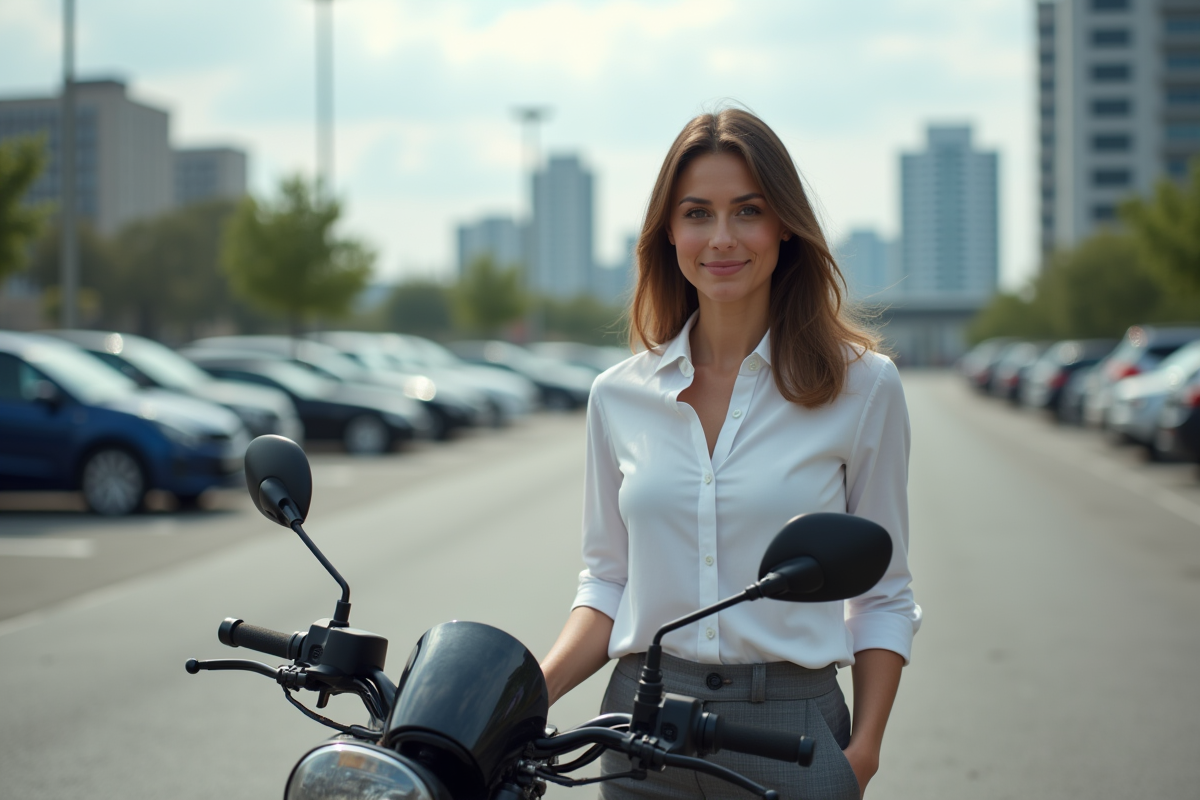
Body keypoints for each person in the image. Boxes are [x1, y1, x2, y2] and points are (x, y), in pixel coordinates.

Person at [539, 108, 920, 800]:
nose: (721, 238)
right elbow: (606, 582)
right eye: (697, 214)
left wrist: (861, 754)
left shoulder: (863, 386)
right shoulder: (617, 396)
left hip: (793, 734)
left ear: (784, 228)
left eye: (747, 211)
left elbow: (884, 591)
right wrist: (525, 695)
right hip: (640, 727)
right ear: (669, 233)